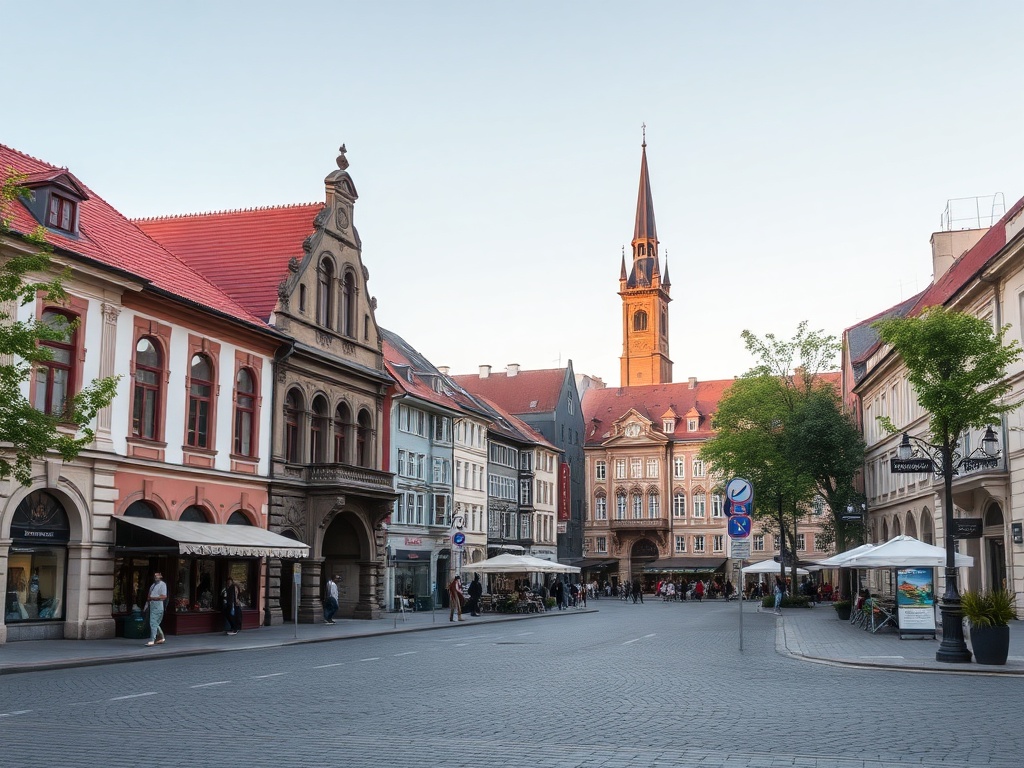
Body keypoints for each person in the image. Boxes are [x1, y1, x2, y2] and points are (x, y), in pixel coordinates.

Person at [144, 571, 167, 647]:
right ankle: (161, 637)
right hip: (152, 604)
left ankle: (152, 639)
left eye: (157, 576)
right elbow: (149, 596)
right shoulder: (153, 585)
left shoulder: (163, 584)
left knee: (153, 622)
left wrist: (153, 598)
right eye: (155, 576)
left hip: (158, 604)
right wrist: (147, 603)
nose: (156, 577)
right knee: (154, 623)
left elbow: (164, 596)